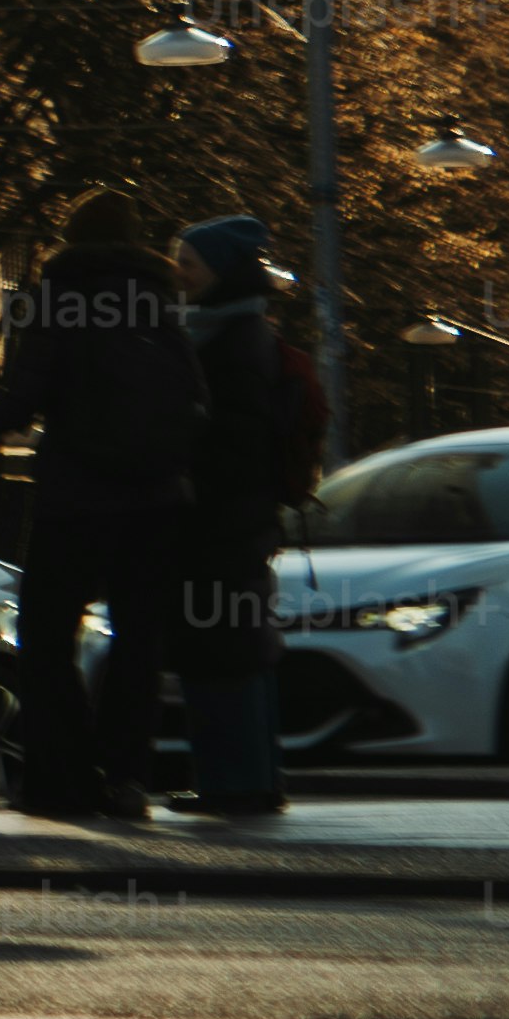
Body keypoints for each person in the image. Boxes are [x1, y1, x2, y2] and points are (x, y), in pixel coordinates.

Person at [0, 190, 204, 822]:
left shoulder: (58, 297)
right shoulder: (159, 301)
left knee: (47, 638)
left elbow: (19, 404)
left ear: (71, 237)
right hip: (154, 503)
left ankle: (65, 778)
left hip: (77, 502)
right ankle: (128, 779)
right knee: (139, 644)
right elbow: (194, 399)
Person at [158, 215, 322, 823]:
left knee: (216, 651)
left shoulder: (226, 343)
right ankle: (253, 779)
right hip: (242, 524)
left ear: (220, 273)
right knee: (242, 650)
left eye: (189, 264)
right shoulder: (245, 332)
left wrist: (188, 470)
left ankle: (232, 785)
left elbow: (233, 441)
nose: (177, 273)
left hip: (219, 526)